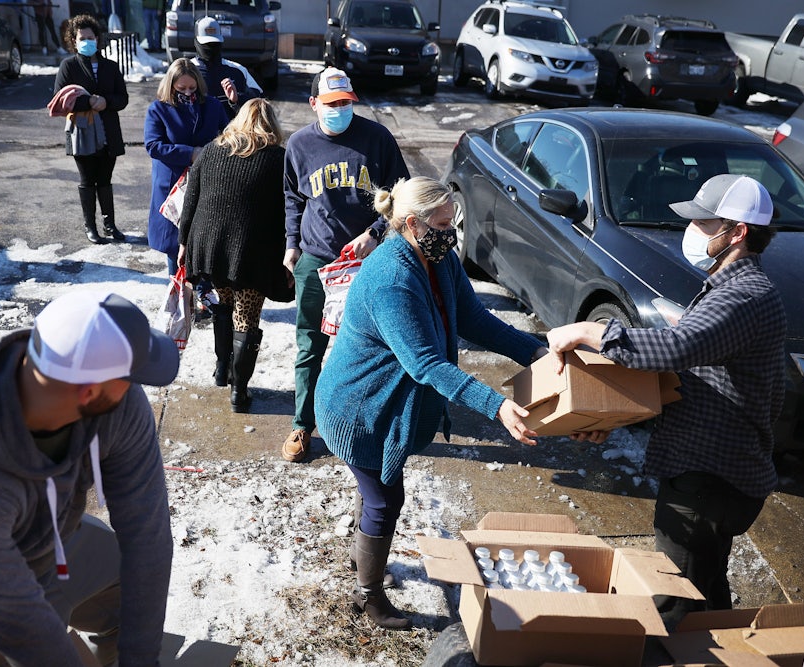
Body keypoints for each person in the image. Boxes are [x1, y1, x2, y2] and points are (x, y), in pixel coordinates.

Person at [546, 174, 787, 627]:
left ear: (737, 233)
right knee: (707, 588)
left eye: (703, 222)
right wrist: (611, 412)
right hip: (719, 473)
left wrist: (586, 331)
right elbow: (693, 366)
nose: (690, 232)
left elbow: (675, 351)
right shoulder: (736, 289)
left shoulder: (743, 296)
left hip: (708, 481)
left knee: (672, 606)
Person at [315, 177, 544, 629]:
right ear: (412, 224)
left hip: (387, 405)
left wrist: (534, 351)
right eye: (443, 224)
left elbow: (476, 319)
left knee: (377, 489)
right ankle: (369, 596)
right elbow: (425, 365)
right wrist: (496, 406)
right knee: (385, 498)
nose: (451, 232)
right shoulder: (390, 279)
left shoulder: (437, 260)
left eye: (453, 222)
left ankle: (363, 556)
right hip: (360, 410)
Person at [0, 290, 180, 665]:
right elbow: (18, 623)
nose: (135, 387)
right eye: (130, 377)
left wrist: (140, 659)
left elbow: (147, 537)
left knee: (131, 591)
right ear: (91, 390)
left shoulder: (117, 405)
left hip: (53, 539)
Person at [282, 67, 410, 463]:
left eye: (346, 103)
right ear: (314, 104)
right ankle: (302, 425)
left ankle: (368, 423)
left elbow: (402, 193)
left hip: (368, 262)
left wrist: (375, 232)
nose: (340, 109)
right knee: (310, 343)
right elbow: (292, 197)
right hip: (317, 260)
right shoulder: (300, 145)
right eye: (332, 104)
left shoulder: (377, 138)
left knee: (373, 344)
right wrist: (291, 245)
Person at [177, 98, 294, 413]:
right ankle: (238, 392)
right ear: (271, 125)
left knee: (223, 306)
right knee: (247, 317)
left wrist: (184, 241)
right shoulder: (278, 159)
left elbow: (191, 196)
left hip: (210, 247)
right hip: (251, 253)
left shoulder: (211, 150)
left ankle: (221, 368)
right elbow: (288, 209)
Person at [145, 57, 228, 277]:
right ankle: (179, 291)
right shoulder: (158, 109)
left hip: (206, 181)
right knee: (175, 245)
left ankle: (204, 293)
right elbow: (153, 146)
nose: (188, 92)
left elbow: (228, 133)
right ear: (171, 85)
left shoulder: (211, 104)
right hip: (172, 184)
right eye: (182, 88)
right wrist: (190, 153)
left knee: (204, 240)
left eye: (192, 87)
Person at [54, 14, 129, 245]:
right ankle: (90, 226)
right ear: (74, 41)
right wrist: (89, 102)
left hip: (108, 131)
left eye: (90, 37)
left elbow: (122, 98)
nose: (87, 41)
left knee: (105, 179)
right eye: (81, 38)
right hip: (82, 132)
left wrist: (106, 101)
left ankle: (109, 224)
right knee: (88, 180)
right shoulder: (69, 66)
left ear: (97, 39)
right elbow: (60, 99)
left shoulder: (111, 66)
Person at [191, 16, 261, 121]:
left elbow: (260, 103)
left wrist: (236, 99)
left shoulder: (238, 70)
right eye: (206, 45)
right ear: (196, 42)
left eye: (215, 44)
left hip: (231, 134)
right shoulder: (186, 70)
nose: (211, 48)